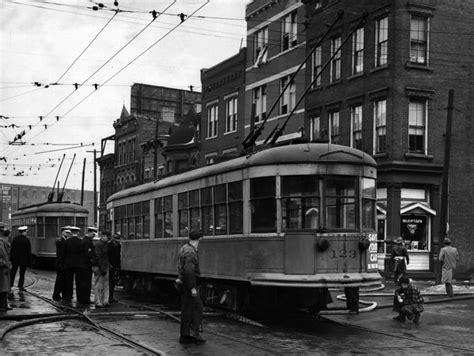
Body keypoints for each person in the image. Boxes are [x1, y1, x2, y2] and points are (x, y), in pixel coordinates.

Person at [177, 230, 205, 345]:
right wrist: (192, 288)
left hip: (183, 282)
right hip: (188, 284)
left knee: (187, 309)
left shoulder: (184, 248)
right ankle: (191, 334)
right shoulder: (190, 252)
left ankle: (186, 335)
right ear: (199, 239)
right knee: (196, 307)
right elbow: (189, 271)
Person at [63, 226, 85, 303]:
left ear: (71, 232)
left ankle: (68, 297)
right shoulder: (81, 242)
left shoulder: (66, 242)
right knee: (79, 282)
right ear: (78, 232)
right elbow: (83, 254)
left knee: (69, 281)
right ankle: (79, 298)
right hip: (79, 265)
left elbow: (64, 254)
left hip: (69, 264)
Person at [10, 226, 31, 291]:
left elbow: (12, 250)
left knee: (13, 272)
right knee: (22, 274)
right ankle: (20, 286)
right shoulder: (27, 240)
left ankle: (10, 285)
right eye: (26, 231)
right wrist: (29, 261)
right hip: (23, 260)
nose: (26, 233)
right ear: (24, 232)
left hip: (15, 259)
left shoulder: (15, 239)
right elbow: (28, 251)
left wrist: (11, 259)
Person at [52, 226, 70, 301]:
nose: (68, 234)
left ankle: (64, 295)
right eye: (66, 232)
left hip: (65, 264)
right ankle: (56, 295)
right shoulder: (60, 240)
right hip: (61, 264)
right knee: (59, 280)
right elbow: (61, 253)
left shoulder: (65, 240)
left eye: (68, 232)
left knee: (65, 281)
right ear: (62, 232)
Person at [80, 227, 97, 304]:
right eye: (93, 234)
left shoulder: (86, 240)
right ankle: (85, 299)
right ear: (89, 232)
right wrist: (92, 262)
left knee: (85, 282)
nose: (93, 236)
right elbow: (88, 254)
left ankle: (84, 298)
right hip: (86, 265)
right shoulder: (87, 242)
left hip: (84, 265)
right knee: (86, 283)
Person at [93, 231, 110, 308]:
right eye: (107, 236)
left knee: (103, 284)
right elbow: (98, 257)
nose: (108, 238)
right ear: (103, 236)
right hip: (100, 267)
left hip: (103, 267)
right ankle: (99, 301)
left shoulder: (102, 245)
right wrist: (103, 268)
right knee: (100, 285)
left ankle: (103, 301)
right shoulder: (99, 245)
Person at [0, 231, 12, 311]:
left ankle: (4, 305)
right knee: (2, 288)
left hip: (4, 270)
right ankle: (2, 305)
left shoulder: (3, 244)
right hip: (2, 270)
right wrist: (4, 263)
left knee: (4, 289)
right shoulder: (1, 244)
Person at [107, 233, 121, 303]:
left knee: (112, 283)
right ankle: (109, 297)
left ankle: (111, 297)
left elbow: (118, 256)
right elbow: (107, 256)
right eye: (115, 239)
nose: (116, 241)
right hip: (110, 265)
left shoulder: (118, 245)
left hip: (115, 265)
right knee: (109, 282)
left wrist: (118, 266)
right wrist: (109, 264)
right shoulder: (109, 245)